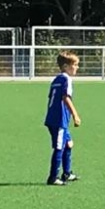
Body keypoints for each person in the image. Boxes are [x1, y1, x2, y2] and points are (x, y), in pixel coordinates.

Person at [44, 51, 81, 186]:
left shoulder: (56, 80)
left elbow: (51, 99)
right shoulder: (67, 79)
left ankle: (67, 173)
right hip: (58, 120)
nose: (77, 67)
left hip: (54, 118)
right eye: (75, 65)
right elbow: (66, 98)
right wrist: (75, 115)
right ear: (65, 66)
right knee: (59, 147)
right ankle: (53, 177)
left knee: (68, 144)